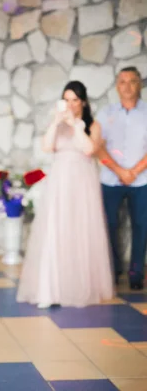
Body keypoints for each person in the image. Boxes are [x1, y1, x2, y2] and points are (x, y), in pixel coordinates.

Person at [16, 81, 114, 308]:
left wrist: (76, 125)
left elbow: (90, 149)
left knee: (80, 229)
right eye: (66, 99)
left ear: (83, 102)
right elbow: (47, 147)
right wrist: (56, 122)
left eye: (75, 100)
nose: (70, 104)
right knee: (55, 228)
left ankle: (78, 286)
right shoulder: (58, 124)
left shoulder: (92, 125)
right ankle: (51, 288)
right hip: (60, 182)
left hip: (82, 181)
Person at [96, 66, 147, 290]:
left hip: (142, 180)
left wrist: (134, 171)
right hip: (110, 178)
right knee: (110, 224)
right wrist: (120, 171)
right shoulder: (105, 113)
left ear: (140, 85)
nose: (127, 86)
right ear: (117, 86)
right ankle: (114, 270)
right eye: (122, 81)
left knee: (141, 225)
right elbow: (98, 146)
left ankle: (136, 274)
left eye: (132, 81)